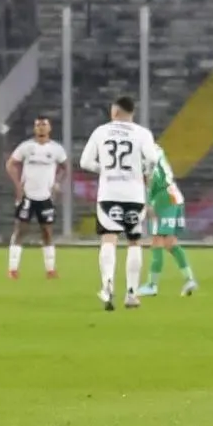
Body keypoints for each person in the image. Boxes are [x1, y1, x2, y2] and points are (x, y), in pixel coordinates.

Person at [79, 95, 159, 311]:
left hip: (109, 193)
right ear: (132, 112)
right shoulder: (142, 133)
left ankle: (107, 286)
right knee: (134, 241)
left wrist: (104, 169)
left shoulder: (101, 131)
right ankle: (132, 294)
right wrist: (144, 173)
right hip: (133, 194)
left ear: (114, 111)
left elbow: (84, 162)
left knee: (108, 239)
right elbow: (152, 159)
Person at [5, 117, 71, 280]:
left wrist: (57, 183)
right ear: (34, 129)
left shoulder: (56, 149)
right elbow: (10, 164)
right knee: (20, 230)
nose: (41, 128)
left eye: (44, 124)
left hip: (45, 197)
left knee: (47, 232)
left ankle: (50, 269)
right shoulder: (27, 147)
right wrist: (18, 185)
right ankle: (12, 269)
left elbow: (66, 167)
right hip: (27, 195)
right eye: (38, 125)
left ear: (50, 128)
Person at [139, 140, 196, 298]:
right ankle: (189, 279)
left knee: (157, 240)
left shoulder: (144, 155)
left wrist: (149, 202)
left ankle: (152, 285)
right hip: (174, 195)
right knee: (170, 242)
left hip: (163, 198)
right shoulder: (156, 150)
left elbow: (153, 177)